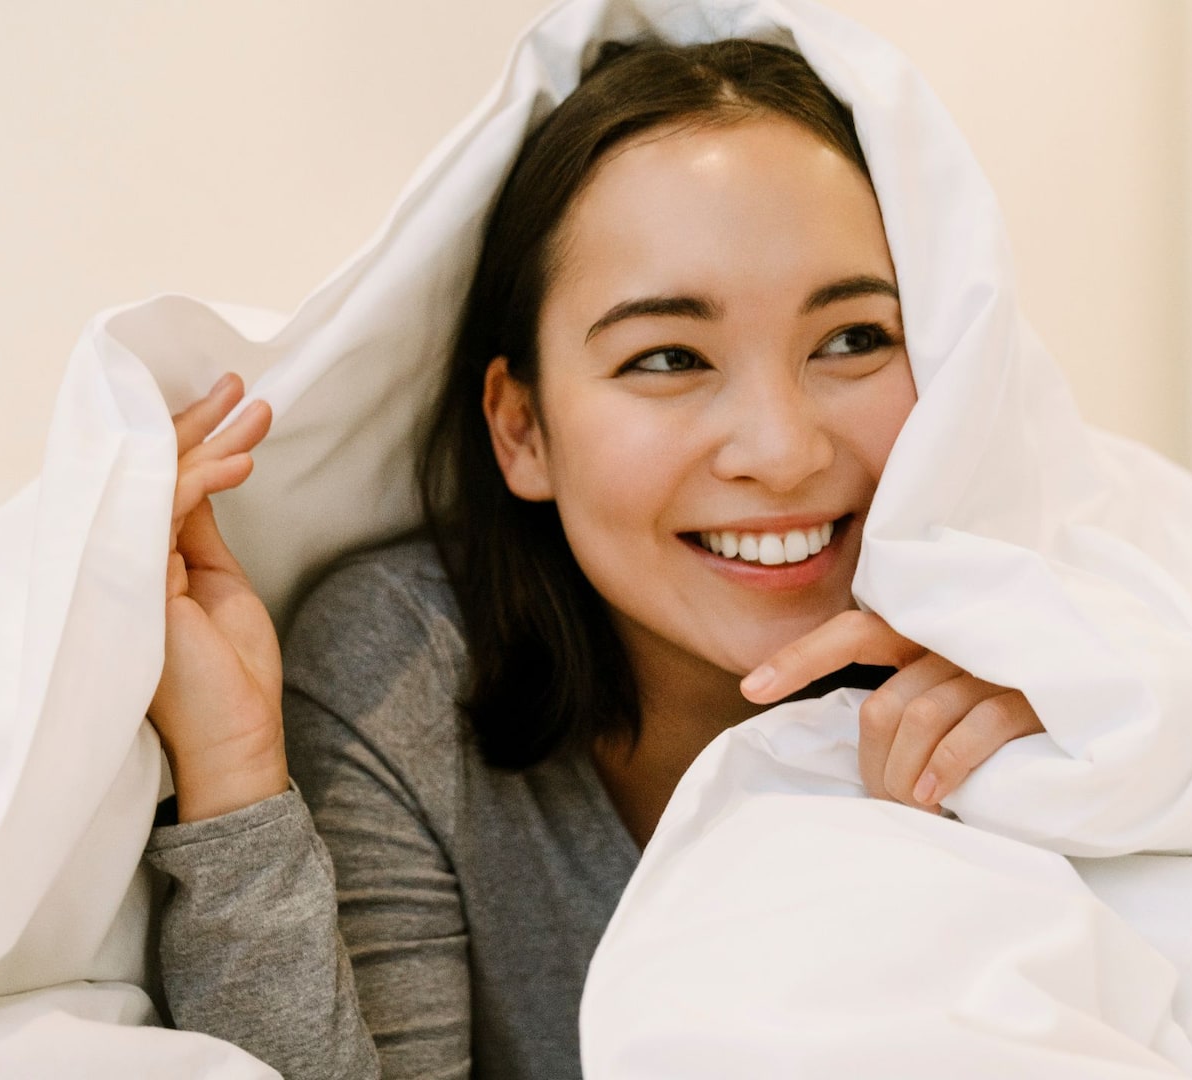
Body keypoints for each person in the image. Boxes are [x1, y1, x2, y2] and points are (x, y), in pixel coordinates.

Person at [141, 38, 1049, 1080]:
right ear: (522, 429)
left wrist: (1070, 761)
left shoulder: (1036, 642)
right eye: (668, 358)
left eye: (852, 339)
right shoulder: (410, 670)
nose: (783, 450)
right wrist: (236, 781)